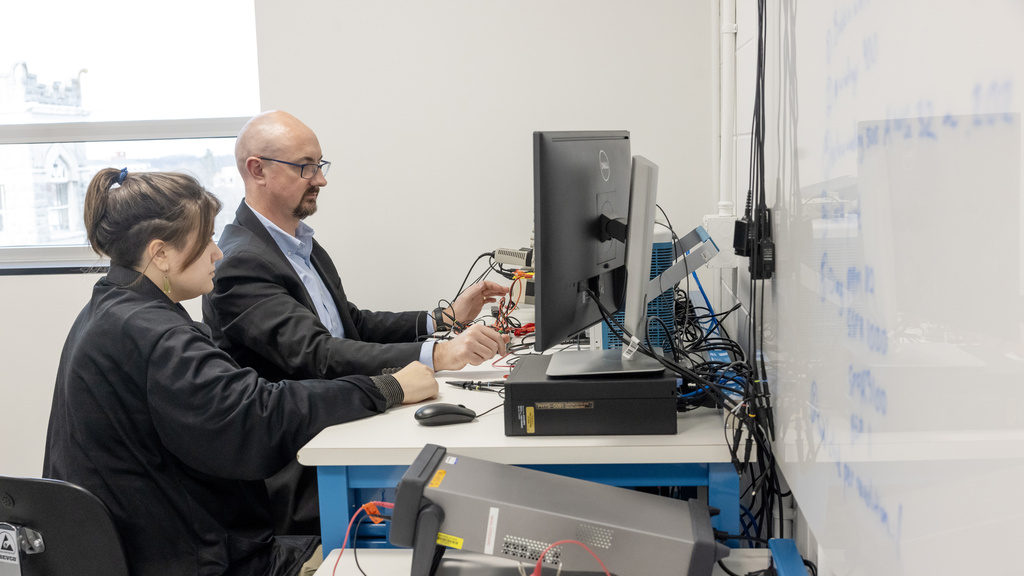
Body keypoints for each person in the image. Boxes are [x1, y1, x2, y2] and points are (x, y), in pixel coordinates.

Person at [43, 168, 438, 576]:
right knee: (398, 552)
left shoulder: (107, 309)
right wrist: (386, 388)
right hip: (187, 557)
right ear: (160, 253)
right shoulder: (154, 334)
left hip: (142, 548)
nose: (217, 253)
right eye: (206, 239)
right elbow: (259, 416)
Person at [202, 110, 510, 535]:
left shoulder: (299, 243)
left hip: (347, 417)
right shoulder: (241, 264)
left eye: (320, 165)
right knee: (457, 491)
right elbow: (318, 352)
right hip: (304, 458)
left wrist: (442, 318)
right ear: (257, 170)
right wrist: (440, 353)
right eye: (305, 167)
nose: (320, 179)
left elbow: (350, 325)